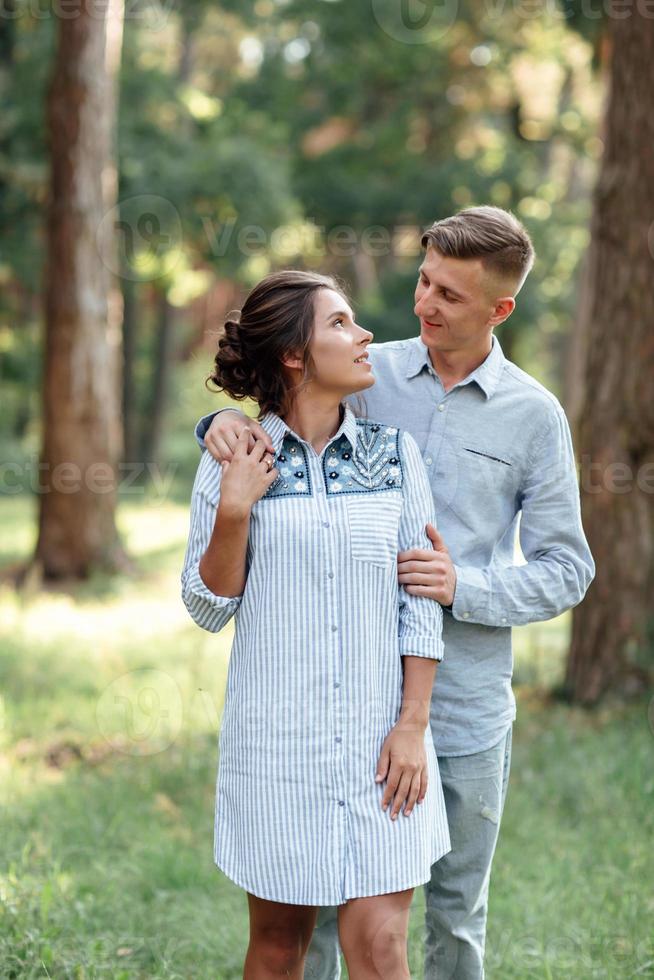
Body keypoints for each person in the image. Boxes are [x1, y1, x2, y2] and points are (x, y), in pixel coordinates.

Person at [194, 207, 596, 979]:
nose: (424, 304)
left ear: (499, 310)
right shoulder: (371, 381)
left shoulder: (535, 416)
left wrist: (463, 587)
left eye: (448, 293)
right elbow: (284, 411)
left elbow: (567, 568)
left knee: (454, 915)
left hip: (466, 706)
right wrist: (216, 421)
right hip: (350, 701)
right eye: (424, 280)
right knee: (310, 916)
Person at [181, 269, 451, 979]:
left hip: (382, 746)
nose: (364, 335)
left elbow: (418, 602)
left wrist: (412, 726)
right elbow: (207, 606)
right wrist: (236, 510)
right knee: (276, 951)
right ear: (294, 355)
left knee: (381, 947)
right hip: (276, 749)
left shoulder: (394, 456)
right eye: (340, 323)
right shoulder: (234, 459)